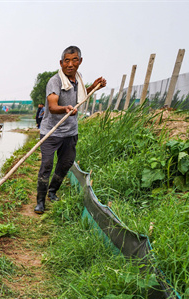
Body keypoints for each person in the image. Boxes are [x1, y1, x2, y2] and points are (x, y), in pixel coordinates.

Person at [35, 45, 106, 214]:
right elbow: (52, 106)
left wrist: (94, 87)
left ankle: (52, 191)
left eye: (74, 60)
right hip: (51, 131)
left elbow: (79, 98)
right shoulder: (55, 81)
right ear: (61, 63)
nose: (70, 64)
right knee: (46, 165)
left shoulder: (78, 79)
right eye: (67, 60)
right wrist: (65, 108)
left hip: (70, 132)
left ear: (80, 62)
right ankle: (40, 201)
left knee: (65, 163)